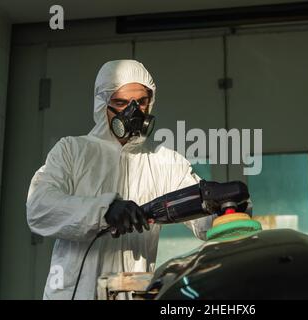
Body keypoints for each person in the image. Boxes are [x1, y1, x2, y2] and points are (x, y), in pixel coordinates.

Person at [26, 60, 213, 300]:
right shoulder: (72, 151)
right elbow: (39, 207)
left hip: (132, 293)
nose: (132, 113)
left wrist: (223, 209)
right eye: (121, 103)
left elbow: (203, 216)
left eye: (141, 103)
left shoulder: (165, 162)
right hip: (73, 294)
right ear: (102, 104)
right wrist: (103, 211)